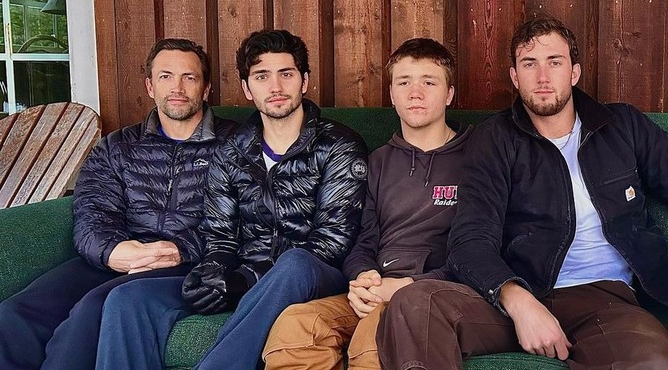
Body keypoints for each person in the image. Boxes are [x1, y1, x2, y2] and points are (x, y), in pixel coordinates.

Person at [376, 16, 668, 370]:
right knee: (416, 304)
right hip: (516, 291)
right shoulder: (494, 139)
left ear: (574, 72)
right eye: (529, 64)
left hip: (605, 299)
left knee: (653, 363)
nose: (543, 77)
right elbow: (469, 239)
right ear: (515, 77)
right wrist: (517, 300)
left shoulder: (621, 126)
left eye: (554, 62)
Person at [95, 29, 369, 370]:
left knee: (295, 263)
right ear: (246, 88)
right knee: (127, 298)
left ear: (304, 81)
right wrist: (213, 272)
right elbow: (220, 235)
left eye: (286, 74)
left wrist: (245, 280)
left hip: (317, 274)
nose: (275, 87)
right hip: (243, 274)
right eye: (261, 76)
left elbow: (332, 242)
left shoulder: (339, 145)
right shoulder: (231, 149)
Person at [0, 38, 238, 370]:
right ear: (150, 86)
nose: (178, 87)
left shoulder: (237, 145)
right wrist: (112, 251)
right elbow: (92, 209)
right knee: (15, 314)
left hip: (185, 262)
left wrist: (179, 250)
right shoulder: (118, 146)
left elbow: (247, 220)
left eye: (190, 77)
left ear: (207, 88)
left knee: (90, 313)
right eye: (166, 76)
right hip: (115, 255)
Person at [263, 38, 473, 370]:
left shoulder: (478, 158)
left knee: (375, 335)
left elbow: (478, 249)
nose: (414, 93)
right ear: (391, 94)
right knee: (296, 325)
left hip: (431, 293)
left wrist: (406, 285)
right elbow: (362, 239)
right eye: (404, 82)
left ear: (448, 94)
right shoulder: (375, 162)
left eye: (428, 82)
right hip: (376, 287)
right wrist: (363, 277)